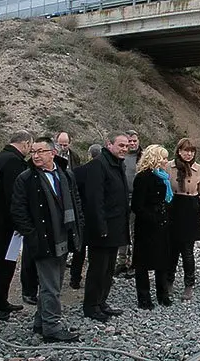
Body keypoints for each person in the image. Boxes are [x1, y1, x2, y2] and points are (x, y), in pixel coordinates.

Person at [11, 136, 83, 343]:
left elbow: (76, 202)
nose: (36, 155)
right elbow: (18, 211)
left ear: (53, 153)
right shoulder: (26, 178)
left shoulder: (65, 175)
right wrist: (32, 235)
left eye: (40, 151)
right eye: (33, 151)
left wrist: (79, 227)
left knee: (53, 283)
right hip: (43, 239)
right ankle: (52, 327)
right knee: (51, 285)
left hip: (64, 236)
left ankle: (41, 322)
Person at [0, 130, 33, 320]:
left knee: (5, 262)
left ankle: (1, 299)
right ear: (25, 143)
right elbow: (15, 196)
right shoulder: (14, 162)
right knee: (1, 263)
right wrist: (21, 221)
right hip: (6, 223)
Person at [82, 132, 130, 322]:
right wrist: (100, 227)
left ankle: (102, 302)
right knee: (97, 269)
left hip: (116, 226)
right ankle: (91, 306)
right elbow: (95, 200)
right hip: (102, 229)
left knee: (108, 269)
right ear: (109, 144)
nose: (124, 149)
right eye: (121, 145)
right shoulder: (98, 165)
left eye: (126, 146)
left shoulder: (118, 165)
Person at [165, 138, 200, 301]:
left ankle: (189, 284)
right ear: (179, 151)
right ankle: (168, 282)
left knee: (188, 252)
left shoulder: (199, 169)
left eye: (191, 151)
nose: (189, 154)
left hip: (190, 210)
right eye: (185, 150)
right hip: (173, 208)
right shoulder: (169, 166)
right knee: (171, 251)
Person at [131, 145, 172, 309]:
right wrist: (153, 218)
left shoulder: (164, 178)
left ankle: (163, 294)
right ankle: (144, 297)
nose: (166, 161)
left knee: (162, 260)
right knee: (142, 263)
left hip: (162, 223)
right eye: (163, 158)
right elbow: (137, 205)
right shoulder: (143, 177)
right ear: (154, 158)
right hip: (147, 226)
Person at [68, 143, 103, 289]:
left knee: (79, 250)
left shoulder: (78, 171)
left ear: (89, 155)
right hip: (97, 216)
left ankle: (75, 278)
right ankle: (95, 278)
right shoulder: (103, 172)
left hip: (81, 214)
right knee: (96, 251)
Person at [115, 129, 141, 278]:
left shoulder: (143, 157)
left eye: (134, 141)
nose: (132, 143)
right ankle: (121, 262)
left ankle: (135, 263)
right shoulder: (120, 157)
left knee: (135, 232)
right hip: (122, 199)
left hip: (137, 200)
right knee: (121, 231)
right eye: (129, 141)